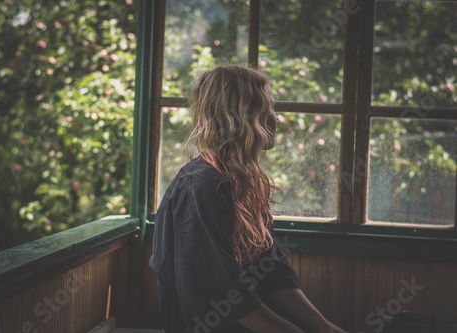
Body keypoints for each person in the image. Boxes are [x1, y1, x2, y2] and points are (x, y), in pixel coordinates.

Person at [149, 64, 348, 333]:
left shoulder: (241, 180)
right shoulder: (202, 187)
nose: (277, 120)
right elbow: (219, 297)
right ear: (244, 115)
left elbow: (272, 268)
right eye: (269, 108)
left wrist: (323, 327)